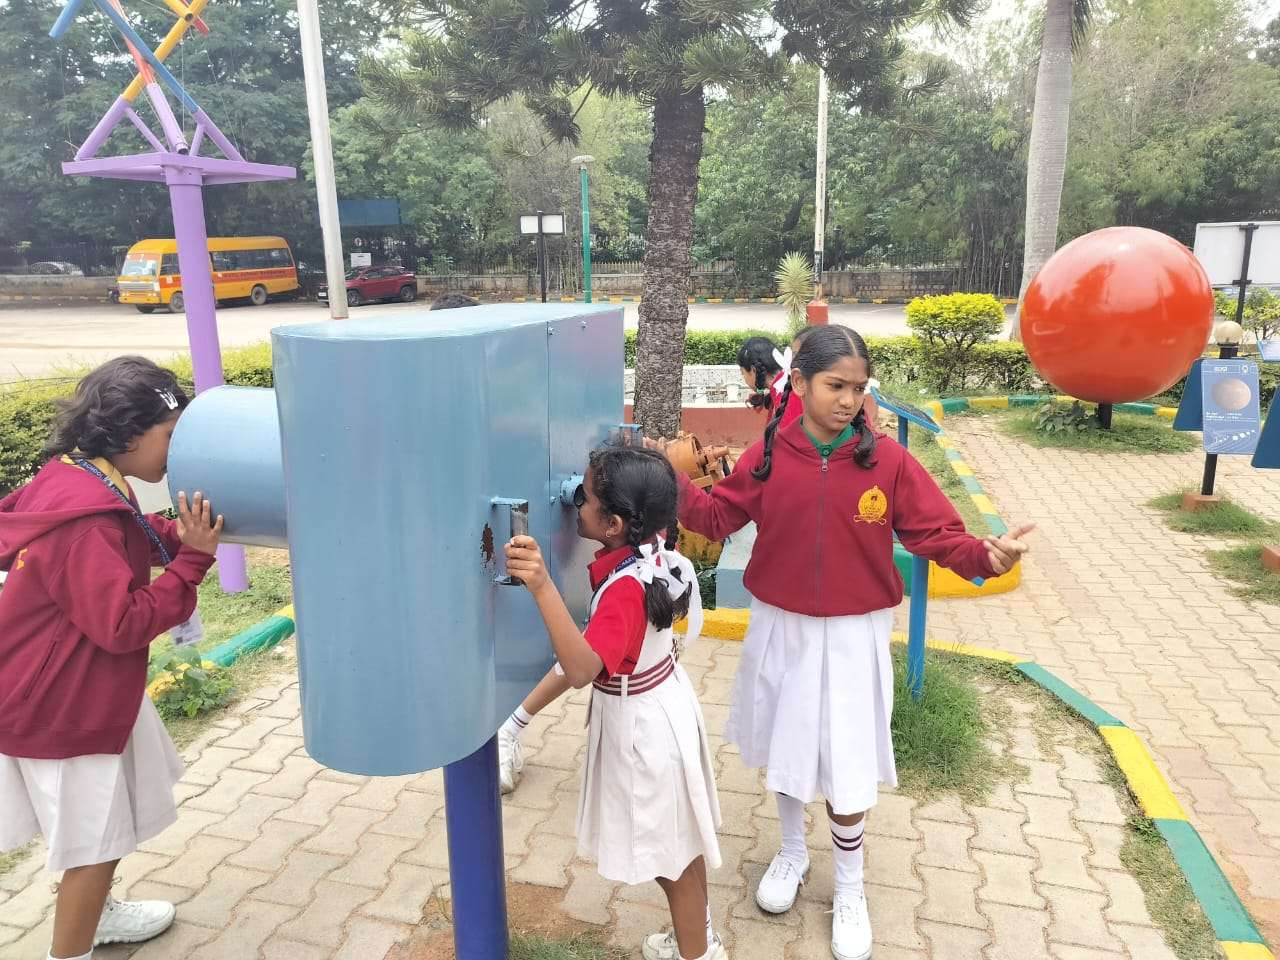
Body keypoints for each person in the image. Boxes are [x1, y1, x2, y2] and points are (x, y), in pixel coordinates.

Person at [666, 325, 1033, 960]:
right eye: (835, 385)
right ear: (800, 382)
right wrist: (668, 480)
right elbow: (718, 517)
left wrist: (984, 556)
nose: (848, 400)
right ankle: (791, 852)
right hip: (780, 622)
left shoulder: (886, 461)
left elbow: (935, 533)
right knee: (786, 741)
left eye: (858, 388)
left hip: (853, 632)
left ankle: (851, 885)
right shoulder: (770, 454)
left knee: (848, 756)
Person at [0, 357, 225, 960]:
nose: (178, 450)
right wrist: (192, 562)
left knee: (108, 821)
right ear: (129, 435)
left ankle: (96, 916)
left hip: (89, 686)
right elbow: (122, 624)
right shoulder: (86, 520)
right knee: (93, 847)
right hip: (63, 704)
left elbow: (128, 536)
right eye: (171, 435)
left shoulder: (83, 476)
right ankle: (72, 947)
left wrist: (178, 536)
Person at [503, 445, 725, 960]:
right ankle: (700, 940)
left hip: (644, 731)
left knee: (672, 866)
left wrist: (541, 584)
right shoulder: (650, 548)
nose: (574, 501)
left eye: (585, 497)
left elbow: (581, 669)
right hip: (663, 707)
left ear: (614, 524)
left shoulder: (625, 589)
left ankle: (698, 952)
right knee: (683, 848)